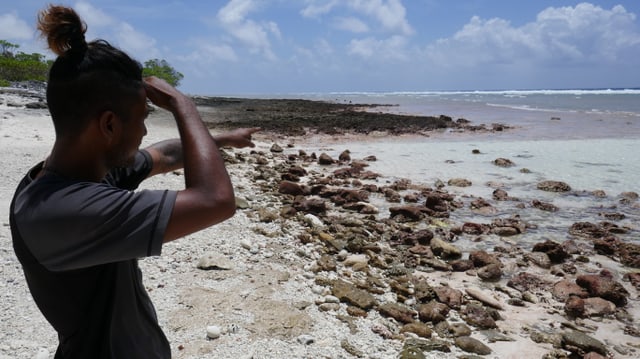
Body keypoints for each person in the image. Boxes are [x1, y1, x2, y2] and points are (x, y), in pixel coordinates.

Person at [9, 5, 260, 358]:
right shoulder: (64, 211)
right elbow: (215, 200)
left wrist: (224, 138)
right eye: (142, 119)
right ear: (109, 125)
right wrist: (183, 107)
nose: (144, 132)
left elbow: (166, 155)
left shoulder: (76, 177)